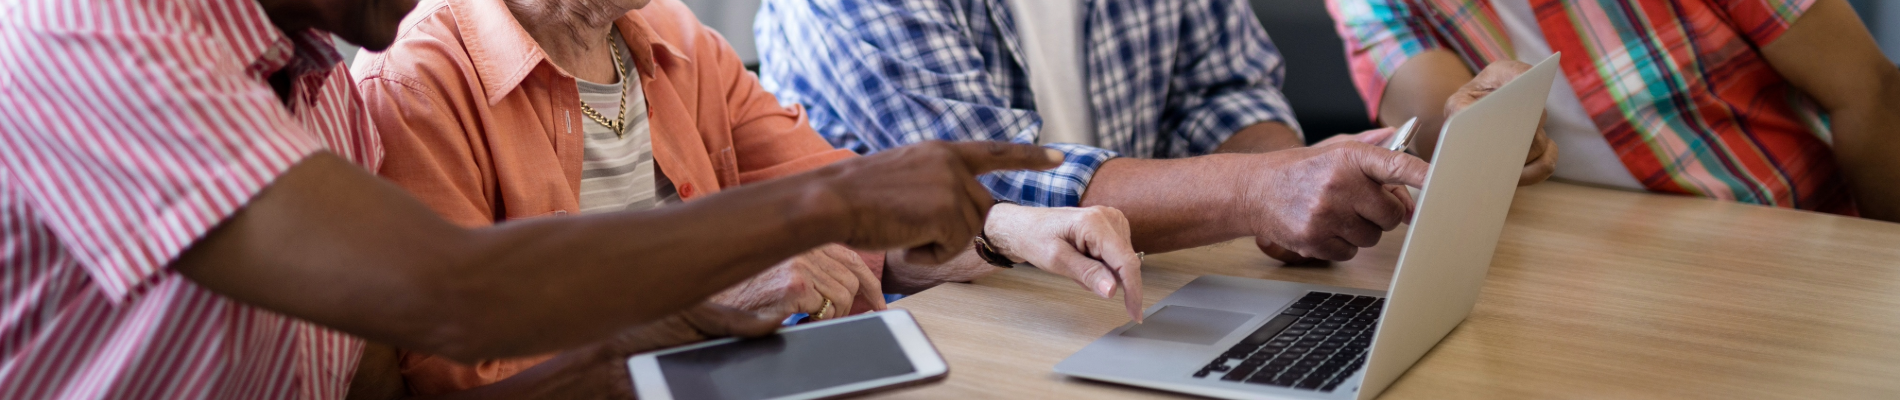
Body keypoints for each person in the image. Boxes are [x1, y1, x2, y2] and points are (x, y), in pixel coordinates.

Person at [0, 0, 1068, 397]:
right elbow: (451, 298)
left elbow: (373, 374)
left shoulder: (321, 82)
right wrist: (825, 201)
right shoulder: (93, 27)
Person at [346, 0, 1145, 396]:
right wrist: (695, 298)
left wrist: (1011, 227)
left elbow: (852, 207)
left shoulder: (678, 40)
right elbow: (446, 375)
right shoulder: (416, 82)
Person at [754, 0, 1493, 264]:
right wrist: (1256, 192)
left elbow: (1225, 91)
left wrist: (1287, 187)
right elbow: (980, 183)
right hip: (950, 317)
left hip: (1125, 293)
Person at [1328, 0, 1900, 221]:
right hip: (1586, 260)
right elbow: (1436, 134)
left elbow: (1870, 94)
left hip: (1780, 228)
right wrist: (1476, 130)